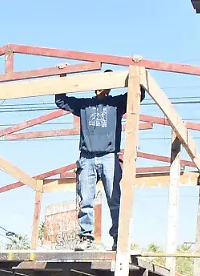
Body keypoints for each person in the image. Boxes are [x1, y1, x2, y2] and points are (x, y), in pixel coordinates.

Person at [55, 73, 143, 251]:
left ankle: (118, 239)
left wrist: (136, 75)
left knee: (114, 199)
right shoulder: (84, 105)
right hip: (87, 156)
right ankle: (85, 238)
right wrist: (63, 76)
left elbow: (137, 95)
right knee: (86, 199)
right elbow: (60, 100)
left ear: (110, 87)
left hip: (109, 156)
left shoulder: (116, 103)